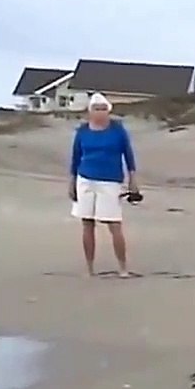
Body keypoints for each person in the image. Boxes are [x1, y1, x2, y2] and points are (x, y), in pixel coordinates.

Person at [69, 92, 140, 277]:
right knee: (87, 223)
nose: (100, 112)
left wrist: (132, 178)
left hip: (110, 180)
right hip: (85, 178)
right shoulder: (83, 131)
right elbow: (75, 157)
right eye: (96, 109)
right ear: (90, 111)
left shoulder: (117, 130)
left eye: (103, 109)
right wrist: (71, 182)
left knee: (114, 224)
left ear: (108, 110)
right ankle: (90, 268)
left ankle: (123, 268)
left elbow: (128, 154)